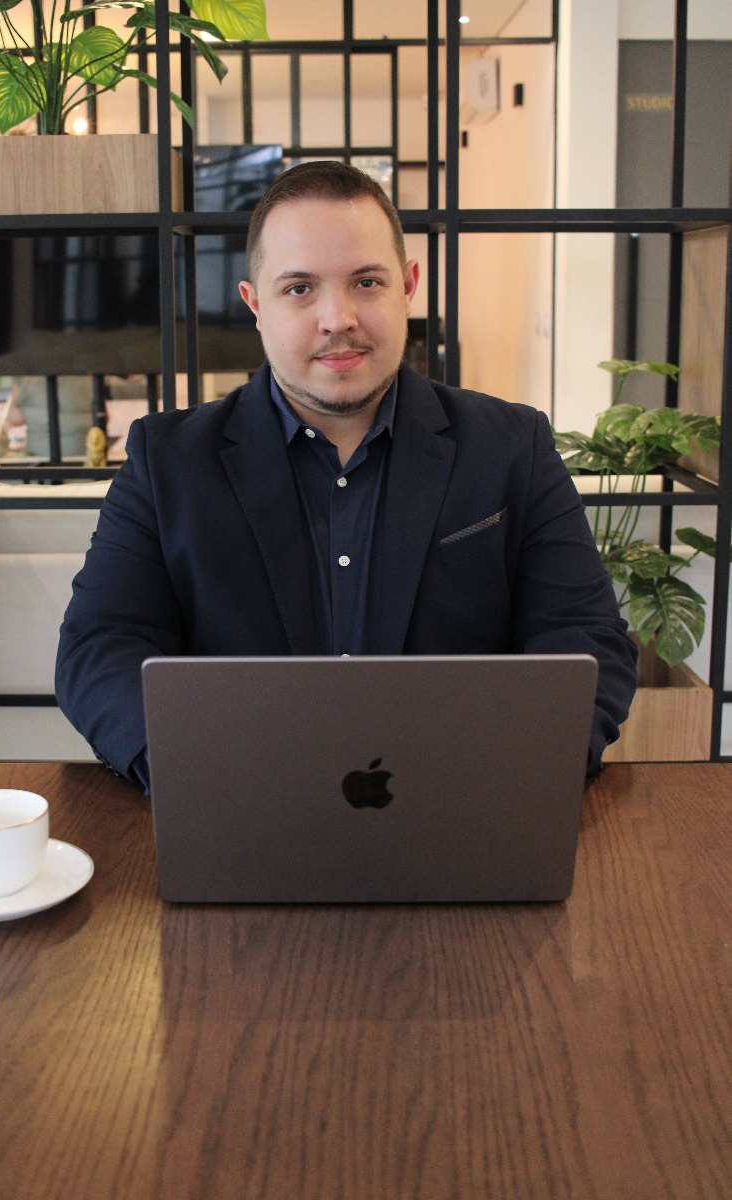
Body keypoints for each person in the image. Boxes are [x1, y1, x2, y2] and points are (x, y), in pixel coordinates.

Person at [55, 161, 637, 789]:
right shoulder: (166, 459)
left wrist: (510, 776)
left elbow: (585, 640)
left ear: (407, 286)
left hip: (463, 799)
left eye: (366, 282)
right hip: (242, 800)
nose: (338, 318)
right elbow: (102, 647)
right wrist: (197, 778)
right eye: (299, 288)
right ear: (255, 304)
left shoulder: (513, 447)